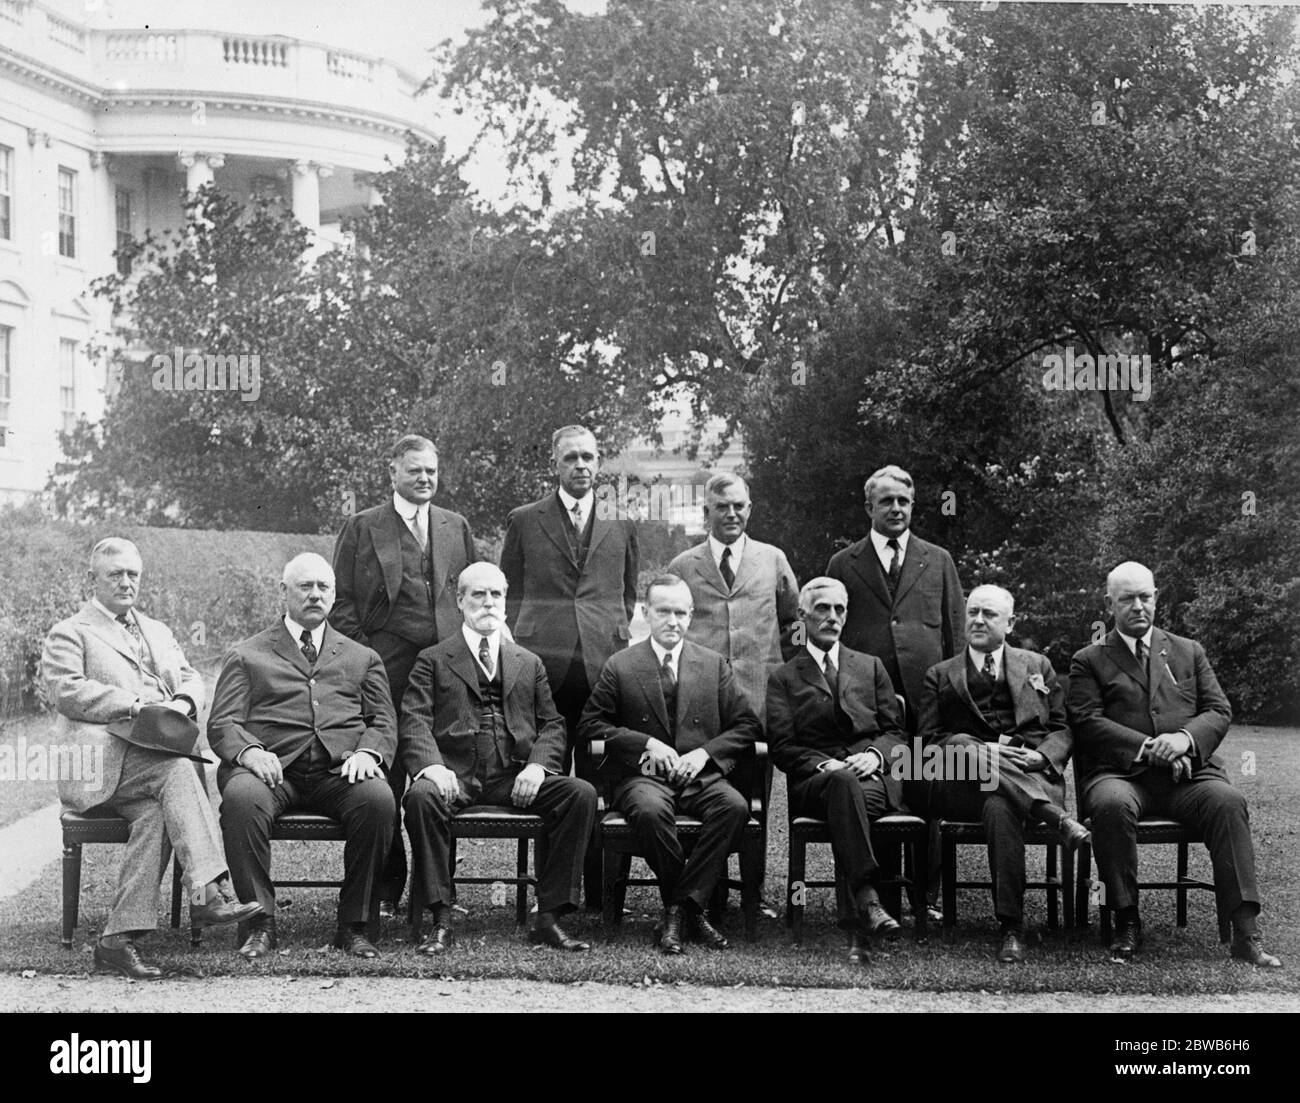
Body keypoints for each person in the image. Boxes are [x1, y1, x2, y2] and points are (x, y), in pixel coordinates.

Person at [42, 537, 261, 980]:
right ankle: (209, 892)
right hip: (98, 767)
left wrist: (182, 701)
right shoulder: (71, 631)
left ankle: (116, 942)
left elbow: (190, 675)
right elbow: (66, 691)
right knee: (179, 770)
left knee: (157, 815)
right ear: (93, 580)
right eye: (115, 574)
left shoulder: (157, 629)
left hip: (149, 769)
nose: (126, 583)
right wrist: (135, 704)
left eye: (133, 575)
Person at [1067, 561, 1281, 967]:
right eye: (1127, 599)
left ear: (1156, 597)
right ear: (1109, 603)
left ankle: (1245, 932)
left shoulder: (1188, 650)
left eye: (1145, 597)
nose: (1138, 606)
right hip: (1121, 776)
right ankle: (1127, 919)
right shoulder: (1089, 659)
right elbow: (1088, 723)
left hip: (1189, 778)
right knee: (1110, 806)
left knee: (1227, 801)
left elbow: (1218, 710)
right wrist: (1150, 747)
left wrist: (1183, 740)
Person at [398, 562, 597, 955]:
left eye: (496, 595)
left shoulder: (528, 661)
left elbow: (553, 723)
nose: (488, 602)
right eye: (478, 594)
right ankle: (441, 917)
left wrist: (538, 766)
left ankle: (549, 917)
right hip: (455, 777)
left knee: (580, 794)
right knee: (420, 798)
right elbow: (414, 718)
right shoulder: (433, 659)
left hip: (513, 776)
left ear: (506, 602)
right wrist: (433, 767)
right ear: (460, 601)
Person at [209, 553, 397, 960]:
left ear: (334, 594)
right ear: (283, 592)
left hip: (339, 771)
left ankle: (356, 925)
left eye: (323, 587)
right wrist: (250, 751)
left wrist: (369, 752)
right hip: (273, 772)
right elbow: (222, 722)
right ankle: (259, 923)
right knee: (241, 800)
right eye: (304, 587)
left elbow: (384, 719)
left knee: (379, 800)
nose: (315, 595)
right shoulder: (247, 653)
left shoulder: (362, 656)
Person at [330, 434, 475, 914]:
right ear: (393, 473)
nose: (424, 479)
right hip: (385, 668)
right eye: (415, 470)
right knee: (386, 775)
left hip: (447, 669)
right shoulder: (363, 525)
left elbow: (470, 596)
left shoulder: (456, 526)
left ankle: (440, 894)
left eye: (432, 470)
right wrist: (368, 658)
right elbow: (342, 603)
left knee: (446, 769)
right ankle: (386, 890)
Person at [579, 574, 761, 954]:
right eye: (664, 612)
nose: (673, 622)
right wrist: (644, 743)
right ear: (646, 613)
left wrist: (704, 755)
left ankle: (679, 909)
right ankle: (690, 911)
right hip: (644, 776)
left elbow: (747, 725)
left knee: (734, 807)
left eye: (681, 613)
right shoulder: (621, 664)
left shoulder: (713, 665)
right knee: (647, 812)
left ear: (691, 615)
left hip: (701, 777)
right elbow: (591, 725)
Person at [918, 584, 1088, 963]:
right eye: (973, 612)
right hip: (959, 782)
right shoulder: (940, 674)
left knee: (999, 803)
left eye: (989, 614)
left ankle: (1011, 927)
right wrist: (985, 750)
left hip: (1026, 774)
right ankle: (1054, 817)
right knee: (961, 741)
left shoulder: (1037, 665)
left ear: (1010, 623)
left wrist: (1043, 758)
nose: (978, 620)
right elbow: (927, 743)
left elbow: (1062, 728)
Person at [766, 578, 910, 963]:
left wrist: (876, 757)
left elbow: (896, 732)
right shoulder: (784, 677)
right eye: (822, 609)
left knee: (849, 795)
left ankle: (858, 923)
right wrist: (824, 764)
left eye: (840, 610)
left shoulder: (871, 666)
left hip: (874, 780)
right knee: (843, 786)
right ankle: (868, 904)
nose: (832, 617)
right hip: (817, 782)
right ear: (802, 616)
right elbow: (782, 747)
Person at [500, 424, 639, 779]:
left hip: (602, 660)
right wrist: (526, 637)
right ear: (554, 464)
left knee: (601, 768)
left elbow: (628, 593)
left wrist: (608, 632)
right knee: (547, 769)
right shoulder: (525, 519)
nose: (581, 465)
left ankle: (594, 836)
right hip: (545, 660)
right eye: (571, 457)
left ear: (599, 462)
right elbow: (510, 590)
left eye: (588, 457)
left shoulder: (622, 521)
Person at [825, 464, 964, 726]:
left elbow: (956, 632)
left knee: (925, 765)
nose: (896, 508)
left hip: (928, 691)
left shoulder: (939, 560)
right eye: (887, 501)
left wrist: (954, 689)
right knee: (874, 762)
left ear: (912, 505)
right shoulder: (842, 564)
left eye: (903, 501)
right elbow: (829, 631)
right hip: (863, 692)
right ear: (869, 508)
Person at [667, 472, 799, 719]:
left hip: (763, 694)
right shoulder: (682, 567)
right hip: (701, 697)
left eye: (738, 506)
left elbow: (796, 623)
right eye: (721, 507)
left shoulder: (773, 560)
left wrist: (791, 670)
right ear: (706, 513)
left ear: (749, 509)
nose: (731, 514)